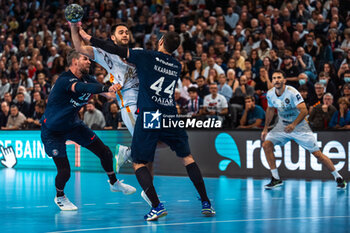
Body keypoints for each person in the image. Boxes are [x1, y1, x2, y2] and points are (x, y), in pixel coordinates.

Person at [80, 30, 215, 220]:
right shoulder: (177, 65)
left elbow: (115, 49)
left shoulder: (147, 57)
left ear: (160, 42)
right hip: (170, 114)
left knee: (139, 162)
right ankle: (206, 202)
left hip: (150, 114)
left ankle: (157, 206)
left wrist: (89, 38)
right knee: (187, 158)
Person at [40, 49, 136, 211]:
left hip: (73, 125)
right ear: (75, 62)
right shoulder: (65, 80)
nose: (89, 61)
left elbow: (110, 95)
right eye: (85, 59)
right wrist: (106, 87)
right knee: (65, 171)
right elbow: (80, 88)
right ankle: (60, 196)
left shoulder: (88, 79)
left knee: (105, 152)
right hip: (53, 130)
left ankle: (114, 183)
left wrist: (124, 88)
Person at [261, 70, 346, 189]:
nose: (277, 80)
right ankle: (276, 178)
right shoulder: (270, 94)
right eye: (274, 78)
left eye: (279, 77)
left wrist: (294, 125)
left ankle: (338, 177)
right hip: (282, 125)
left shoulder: (292, 92)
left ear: (284, 80)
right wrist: (265, 128)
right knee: (266, 145)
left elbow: (304, 110)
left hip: (300, 126)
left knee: (317, 154)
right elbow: (270, 110)